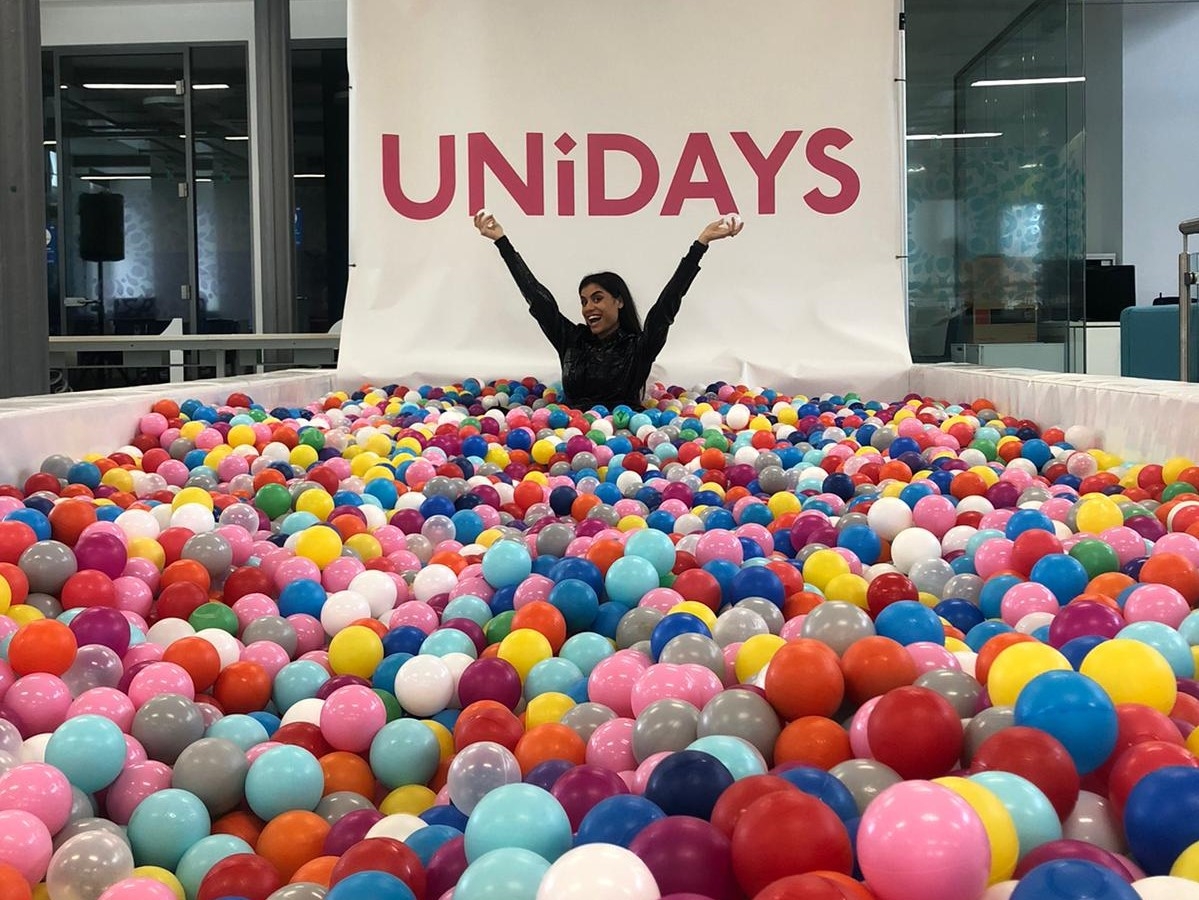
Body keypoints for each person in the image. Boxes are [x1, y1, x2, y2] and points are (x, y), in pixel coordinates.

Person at [473, 210, 744, 410]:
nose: (589, 307)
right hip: (567, 440)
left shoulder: (639, 347)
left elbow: (667, 304)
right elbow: (538, 299)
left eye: (597, 298)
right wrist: (502, 241)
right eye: (583, 301)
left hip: (626, 446)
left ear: (619, 301)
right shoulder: (571, 341)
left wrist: (701, 244)